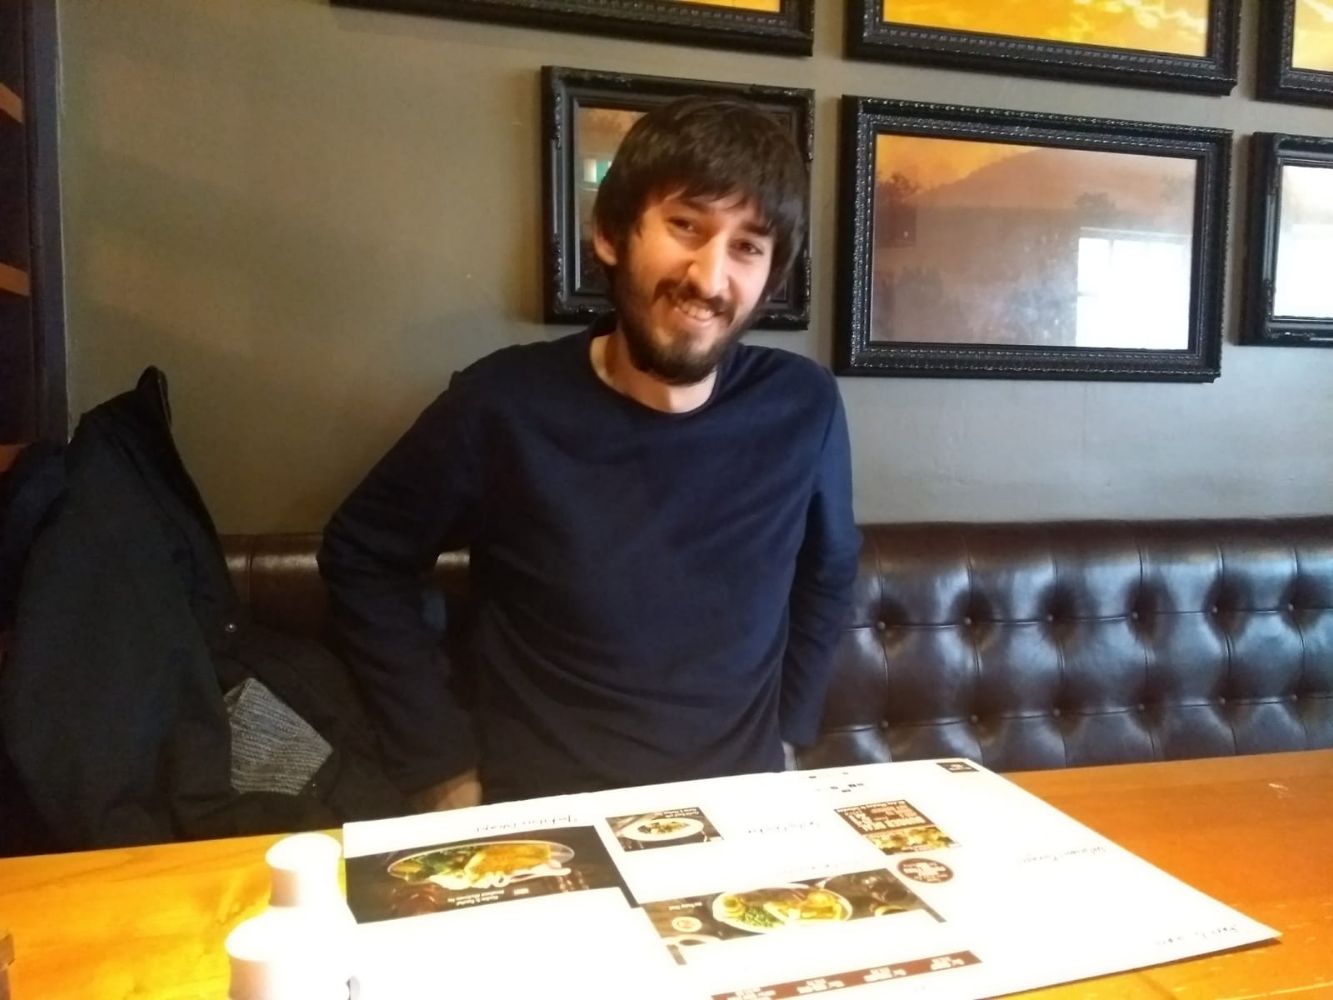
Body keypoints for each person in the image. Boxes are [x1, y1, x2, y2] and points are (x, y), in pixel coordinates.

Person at [318, 96, 860, 811]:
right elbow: (363, 554)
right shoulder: (502, 403)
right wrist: (440, 768)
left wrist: (789, 733)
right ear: (610, 234)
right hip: (549, 819)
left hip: (739, 813)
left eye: (746, 247)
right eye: (685, 226)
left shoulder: (802, 405)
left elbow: (830, 568)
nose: (708, 277)